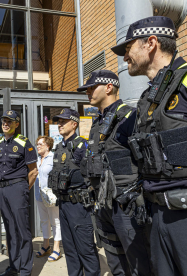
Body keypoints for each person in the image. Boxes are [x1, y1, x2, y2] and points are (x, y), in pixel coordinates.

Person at [111, 16, 187, 276]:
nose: (124, 58)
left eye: (128, 49)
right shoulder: (150, 97)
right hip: (157, 218)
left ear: (151, 43)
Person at [78, 70, 152, 276]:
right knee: (114, 259)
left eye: (92, 88)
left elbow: (145, 162)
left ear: (109, 87)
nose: (88, 92)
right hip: (103, 204)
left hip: (126, 205)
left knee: (139, 263)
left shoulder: (130, 116)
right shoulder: (97, 123)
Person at [48, 108, 100, 276]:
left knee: (85, 249)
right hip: (63, 205)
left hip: (79, 206)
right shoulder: (59, 147)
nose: (59, 124)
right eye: (58, 121)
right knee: (70, 250)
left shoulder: (82, 146)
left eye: (63, 121)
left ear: (74, 124)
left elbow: (92, 176)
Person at [0, 110, 38, 276]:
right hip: (2, 188)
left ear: (16, 124)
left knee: (22, 230)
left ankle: (26, 270)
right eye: (4, 120)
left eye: (9, 121)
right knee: (10, 230)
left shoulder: (24, 142)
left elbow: (33, 171)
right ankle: (14, 266)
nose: (5, 123)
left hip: (17, 188)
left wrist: (24, 190)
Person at [34, 136, 62, 262]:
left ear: (48, 146)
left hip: (51, 195)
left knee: (55, 221)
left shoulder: (53, 158)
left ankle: (56, 248)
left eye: (40, 144)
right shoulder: (37, 159)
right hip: (39, 194)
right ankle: (46, 246)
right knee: (44, 221)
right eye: (37, 144)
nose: (38, 146)